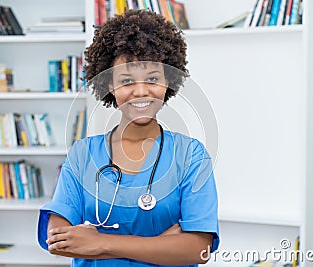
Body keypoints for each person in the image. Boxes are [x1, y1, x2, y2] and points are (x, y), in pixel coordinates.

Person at [37, 9, 219, 267]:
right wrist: (164, 242)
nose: (141, 91)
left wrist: (101, 242)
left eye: (153, 78)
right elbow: (58, 241)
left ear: (168, 81)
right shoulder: (83, 155)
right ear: (110, 85)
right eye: (126, 80)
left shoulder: (191, 155)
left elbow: (198, 249)